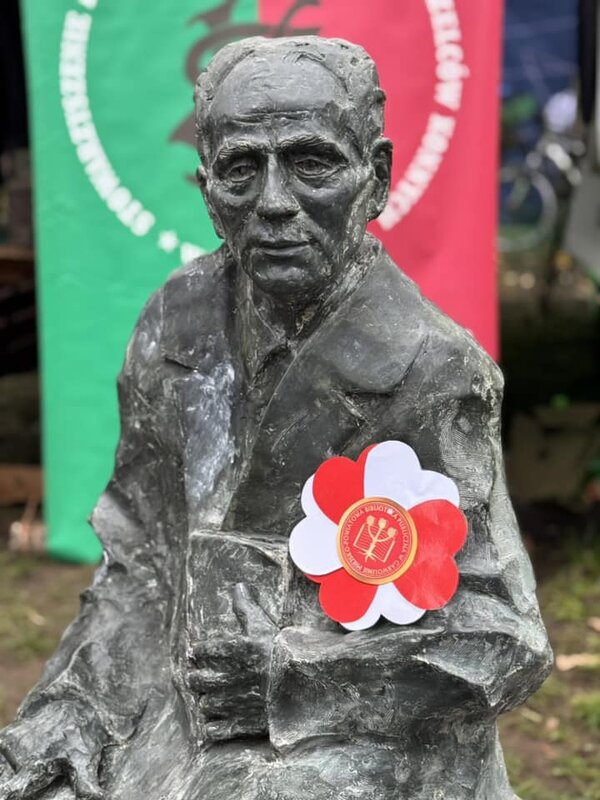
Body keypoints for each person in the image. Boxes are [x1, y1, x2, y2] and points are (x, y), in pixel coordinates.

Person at [0, 36, 552, 800]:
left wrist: (294, 678)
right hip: (180, 714)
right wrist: (77, 706)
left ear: (376, 177)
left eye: (310, 162)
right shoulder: (175, 323)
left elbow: (504, 639)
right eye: (240, 169)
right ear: (207, 190)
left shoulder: (433, 369)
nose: (273, 202)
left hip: (359, 739)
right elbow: (139, 564)